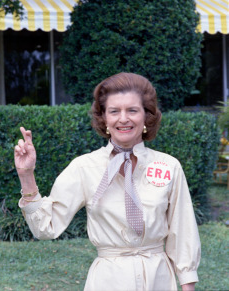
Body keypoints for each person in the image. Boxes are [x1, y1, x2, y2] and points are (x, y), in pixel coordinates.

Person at [15, 72, 201, 291]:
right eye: (114, 111)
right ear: (104, 118)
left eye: (132, 110)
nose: (123, 118)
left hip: (158, 279)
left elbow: (183, 229)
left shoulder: (169, 166)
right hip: (108, 281)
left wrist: (188, 284)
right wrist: (26, 175)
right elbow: (45, 227)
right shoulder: (84, 167)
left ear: (146, 117)